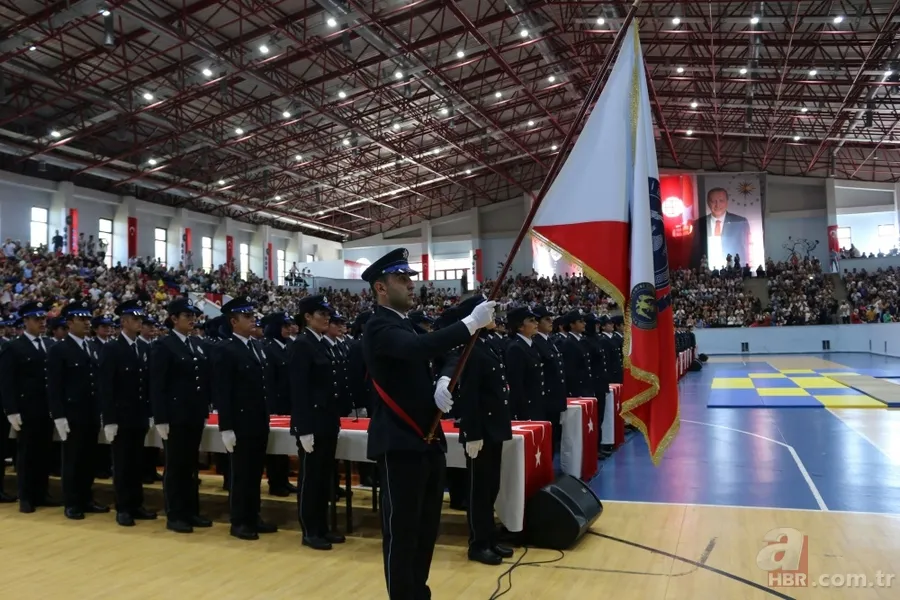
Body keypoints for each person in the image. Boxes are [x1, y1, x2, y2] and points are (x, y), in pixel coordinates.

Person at [361, 248, 495, 600]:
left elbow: (447, 353)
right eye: (401, 278)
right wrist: (469, 324)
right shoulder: (379, 326)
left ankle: (418, 592)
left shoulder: (405, 323)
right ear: (380, 288)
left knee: (425, 530)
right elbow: (418, 349)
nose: (410, 284)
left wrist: (443, 379)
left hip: (427, 440)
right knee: (402, 532)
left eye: (410, 278)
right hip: (399, 443)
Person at [451, 296, 514, 565]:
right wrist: (472, 433)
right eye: (487, 312)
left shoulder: (486, 344)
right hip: (481, 430)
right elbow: (469, 395)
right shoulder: (471, 349)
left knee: (491, 488)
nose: (493, 316)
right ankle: (478, 543)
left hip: (494, 428)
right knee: (478, 491)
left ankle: (489, 538)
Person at [212, 297, 278, 541]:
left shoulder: (256, 346)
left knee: (255, 472)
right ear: (233, 321)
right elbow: (223, 391)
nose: (253, 320)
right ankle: (239, 521)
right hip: (240, 422)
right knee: (241, 474)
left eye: (252, 316)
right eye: (247, 317)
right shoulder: (226, 349)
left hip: (258, 420)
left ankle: (253, 515)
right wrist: (226, 427)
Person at [149, 297, 212, 534]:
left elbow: (201, 380)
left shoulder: (195, 343)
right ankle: (175, 514)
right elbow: (158, 384)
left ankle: (191, 510)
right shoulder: (163, 345)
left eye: (193, 316)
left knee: (190, 466)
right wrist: (161, 418)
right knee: (176, 466)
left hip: (193, 413)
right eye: (187, 316)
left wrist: (203, 409)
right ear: (174, 319)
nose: (192, 320)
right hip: (175, 415)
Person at [290, 294, 344, 550]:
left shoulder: (322, 343)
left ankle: (322, 526)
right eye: (321, 314)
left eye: (327, 314)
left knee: (323, 478)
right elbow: (299, 389)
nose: (327, 318)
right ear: (308, 317)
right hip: (312, 422)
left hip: (327, 421)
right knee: (310, 479)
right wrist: (304, 428)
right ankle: (309, 530)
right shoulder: (302, 344)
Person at [98, 299, 157, 526]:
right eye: (135, 319)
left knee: (136, 462)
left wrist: (150, 413)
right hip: (121, 416)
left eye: (140, 319)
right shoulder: (112, 348)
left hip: (139, 415)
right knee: (122, 464)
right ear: (123, 321)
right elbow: (106, 386)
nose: (139, 322)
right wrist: (109, 419)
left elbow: (146, 383)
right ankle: (123, 507)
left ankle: (136, 504)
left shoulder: (143, 347)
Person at [47, 300, 108, 520]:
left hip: (91, 412)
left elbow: (96, 381)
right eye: (81, 319)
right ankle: (72, 502)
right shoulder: (59, 349)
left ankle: (86, 497)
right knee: (73, 459)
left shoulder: (91, 346)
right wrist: (58, 415)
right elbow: (54, 386)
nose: (86, 323)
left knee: (89, 458)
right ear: (70, 322)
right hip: (72, 413)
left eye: (87, 319)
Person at [0, 301, 57, 510]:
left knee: (44, 452)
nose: (42, 323)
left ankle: (42, 492)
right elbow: (7, 381)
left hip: (46, 407)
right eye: (36, 319)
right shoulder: (14, 346)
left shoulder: (49, 344)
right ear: (25, 321)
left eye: (43, 319)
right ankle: (25, 496)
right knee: (26, 454)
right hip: (26, 408)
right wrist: (11, 410)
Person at [261, 311, 296, 496]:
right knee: (275, 447)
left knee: (285, 445)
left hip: (289, 402)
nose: (289, 329)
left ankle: (284, 479)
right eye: (284, 326)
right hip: (276, 404)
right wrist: (272, 408)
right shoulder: (268, 347)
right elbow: (269, 381)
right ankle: (275, 482)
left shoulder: (289, 345)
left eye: (289, 325)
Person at [530, 306, 566, 452]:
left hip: (555, 396)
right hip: (546, 398)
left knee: (554, 435)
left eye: (551, 318)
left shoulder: (548, 341)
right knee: (548, 439)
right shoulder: (536, 342)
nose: (551, 321)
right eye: (546, 319)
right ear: (537, 323)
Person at [691, 187, 751, 268]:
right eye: (713, 201)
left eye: (721, 201)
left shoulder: (740, 222)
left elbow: (746, 251)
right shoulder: (698, 223)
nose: (717, 205)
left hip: (733, 271)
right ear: (708, 203)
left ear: (727, 202)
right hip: (706, 271)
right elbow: (694, 253)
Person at [504, 306, 543, 421]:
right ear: (520, 326)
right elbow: (517, 385)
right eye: (531, 321)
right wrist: (523, 413)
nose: (536, 323)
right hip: (527, 408)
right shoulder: (516, 348)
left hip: (537, 404)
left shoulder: (531, 344)